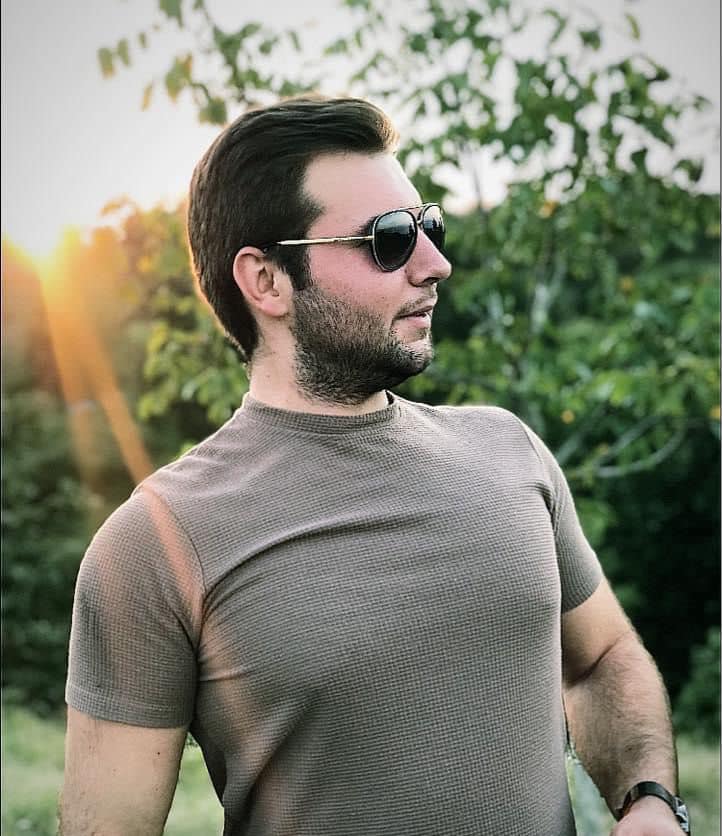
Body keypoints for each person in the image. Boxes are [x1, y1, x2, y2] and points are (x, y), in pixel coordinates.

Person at [60, 96, 689, 836]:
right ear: (267, 281)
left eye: (429, 226)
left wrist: (650, 799)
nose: (436, 264)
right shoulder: (154, 542)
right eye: (389, 239)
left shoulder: (509, 450)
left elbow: (602, 657)